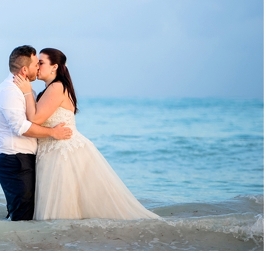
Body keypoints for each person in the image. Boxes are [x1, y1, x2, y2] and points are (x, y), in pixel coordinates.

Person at [14, 48, 160, 220]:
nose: (37, 66)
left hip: (62, 152)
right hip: (50, 150)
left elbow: (36, 118)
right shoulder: (47, 90)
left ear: (54, 67)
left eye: (41, 62)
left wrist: (25, 91)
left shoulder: (57, 87)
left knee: (62, 207)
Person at [0, 45, 73, 221]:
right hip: (14, 159)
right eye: (36, 63)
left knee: (25, 212)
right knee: (22, 216)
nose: (37, 67)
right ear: (24, 69)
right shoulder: (9, 91)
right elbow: (21, 127)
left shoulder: (28, 91)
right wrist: (53, 133)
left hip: (25, 158)